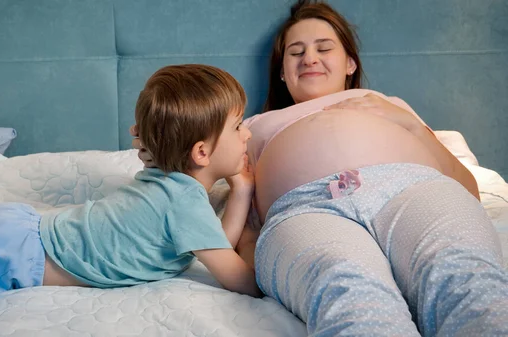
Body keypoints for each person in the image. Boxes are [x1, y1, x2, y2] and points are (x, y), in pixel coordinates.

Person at [131, 1, 508, 336]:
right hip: (304, 209)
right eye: (295, 53)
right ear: (282, 73)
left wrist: (408, 123)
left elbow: (468, 190)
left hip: (410, 188)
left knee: (466, 278)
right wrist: (162, 154)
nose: (309, 58)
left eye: (324, 48)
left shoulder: (386, 103)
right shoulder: (253, 126)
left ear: (350, 63)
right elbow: (210, 187)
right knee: (351, 296)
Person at [0, 64, 261, 321]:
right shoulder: (185, 203)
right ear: (200, 153)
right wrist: (253, 238)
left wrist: (241, 190)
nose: (247, 134)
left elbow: (215, 243)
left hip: (14, 227)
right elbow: (244, 281)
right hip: (12, 255)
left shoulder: (165, 180)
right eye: (239, 125)